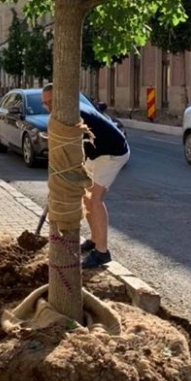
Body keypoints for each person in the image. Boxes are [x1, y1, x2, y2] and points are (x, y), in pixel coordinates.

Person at [41, 83, 129, 268]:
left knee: (95, 199)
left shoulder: (74, 114)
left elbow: (69, 146)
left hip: (112, 152)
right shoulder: (67, 111)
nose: (48, 107)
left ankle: (102, 252)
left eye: (51, 102)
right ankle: (94, 241)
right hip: (96, 153)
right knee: (86, 197)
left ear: (61, 98)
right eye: (45, 103)